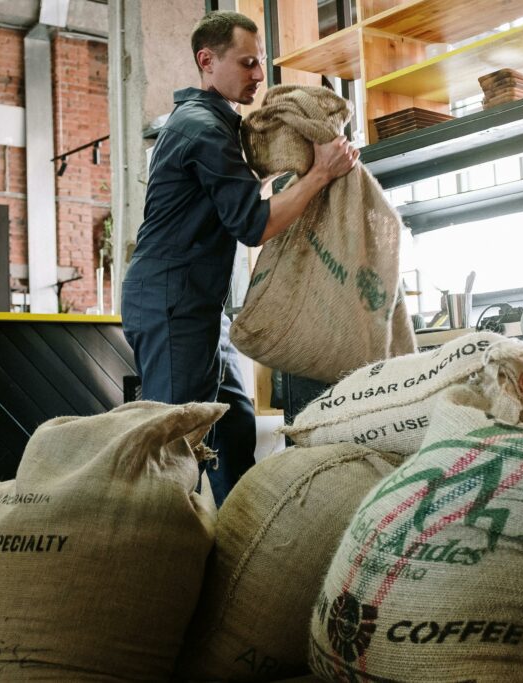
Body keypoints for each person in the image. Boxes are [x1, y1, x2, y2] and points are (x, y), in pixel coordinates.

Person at [120, 10, 359, 505]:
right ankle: (159, 552)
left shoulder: (217, 124)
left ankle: (237, 537)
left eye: (262, 63)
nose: (258, 76)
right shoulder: (201, 129)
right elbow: (254, 224)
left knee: (233, 425)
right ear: (207, 61)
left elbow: (240, 199)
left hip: (199, 304)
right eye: (248, 63)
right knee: (176, 440)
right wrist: (319, 174)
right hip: (171, 301)